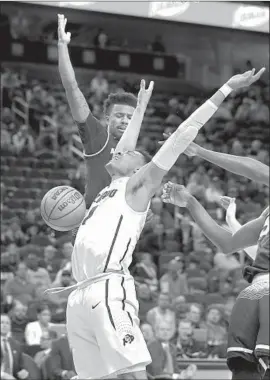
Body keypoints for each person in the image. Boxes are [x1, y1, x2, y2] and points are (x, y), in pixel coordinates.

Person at [63, 69, 261, 379]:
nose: (119, 151)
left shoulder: (137, 186)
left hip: (107, 288)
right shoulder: (109, 187)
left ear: (140, 168)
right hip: (80, 293)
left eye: (127, 153)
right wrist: (140, 109)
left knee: (131, 372)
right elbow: (124, 147)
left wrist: (224, 89)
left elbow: (185, 131)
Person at [162, 151, 269, 378]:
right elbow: (227, 243)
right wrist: (190, 202)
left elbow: (253, 168)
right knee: (243, 371)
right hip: (253, 292)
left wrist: (198, 150)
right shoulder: (267, 215)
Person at [57, 14, 152, 208]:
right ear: (107, 118)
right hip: (92, 221)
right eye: (119, 116)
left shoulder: (134, 154)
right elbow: (71, 87)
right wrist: (62, 46)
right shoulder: (97, 137)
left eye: (129, 117)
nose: (125, 121)